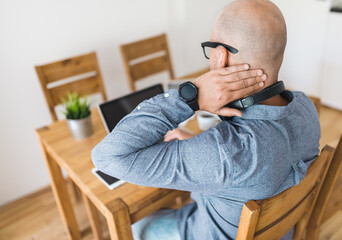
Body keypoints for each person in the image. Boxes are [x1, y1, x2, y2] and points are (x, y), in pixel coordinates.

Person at [91, 0, 320, 239]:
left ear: (221, 57)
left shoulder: (226, 153)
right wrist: (196, 144)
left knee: (137, 224)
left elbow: (107, 157)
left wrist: (190, 96)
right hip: (281, 231)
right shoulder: (306, 108)